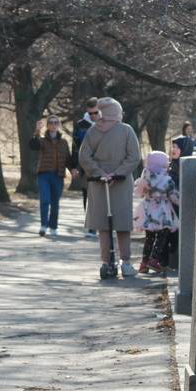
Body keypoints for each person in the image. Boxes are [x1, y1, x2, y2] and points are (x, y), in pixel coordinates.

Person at [77, 97, 141, 279]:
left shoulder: (93, 131)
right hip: (120, 182)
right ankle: (126, 262)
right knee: (122, 224)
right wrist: (117, 173)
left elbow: (84, 157)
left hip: (98, 183)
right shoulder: (126, 130)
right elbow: (134, 156)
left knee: (103, 226)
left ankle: (106, 262)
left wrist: (99, 172)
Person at [134, 151, 180, 273]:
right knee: (162, 236)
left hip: (148, 208)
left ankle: (144, 263)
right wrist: (182, 202)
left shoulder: (144, 177)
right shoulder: (167, 179)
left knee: (149, 237)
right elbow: (173, 196)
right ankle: (154, 260)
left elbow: (139, 192)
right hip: (162, 210)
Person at [29, 115, 71, 237]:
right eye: (51, 122)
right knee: (45, 200)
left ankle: (53, 227)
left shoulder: (63, 142)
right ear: (47, 125)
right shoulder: (42, 140)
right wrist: (36, 131)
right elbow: (33, 145)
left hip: (58, 175)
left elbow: (67, 159)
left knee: (55, 203)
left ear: (58, 125)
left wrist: (73, 169)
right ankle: (43, 226)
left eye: (56, 122)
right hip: (44, 175)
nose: (53, 125)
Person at [70, 100, 101, 236]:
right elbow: (75, 147)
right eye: (91, 113)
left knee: (102, 196)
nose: (93, 115)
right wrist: (75, 167)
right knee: (88, 195)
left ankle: (102, 224)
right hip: (86, 166)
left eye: (96, 112)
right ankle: (91, 226)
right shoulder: (80, 125)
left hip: (104, 164)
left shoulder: (105, 123)